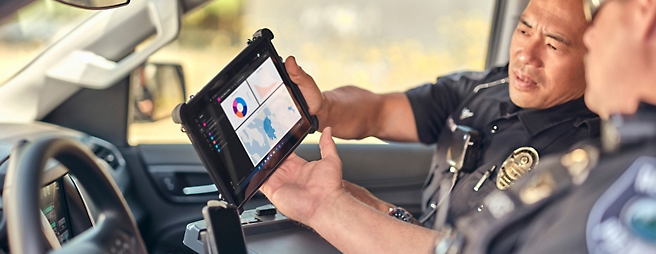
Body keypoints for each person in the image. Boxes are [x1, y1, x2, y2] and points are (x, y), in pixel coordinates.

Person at [260, 0, 656, 253]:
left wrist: (328, 208)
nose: (527, 55)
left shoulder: (599, 156)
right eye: (522, 30)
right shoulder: (483, 88)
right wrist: (322, 108)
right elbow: (377, 112)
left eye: (554, 44)